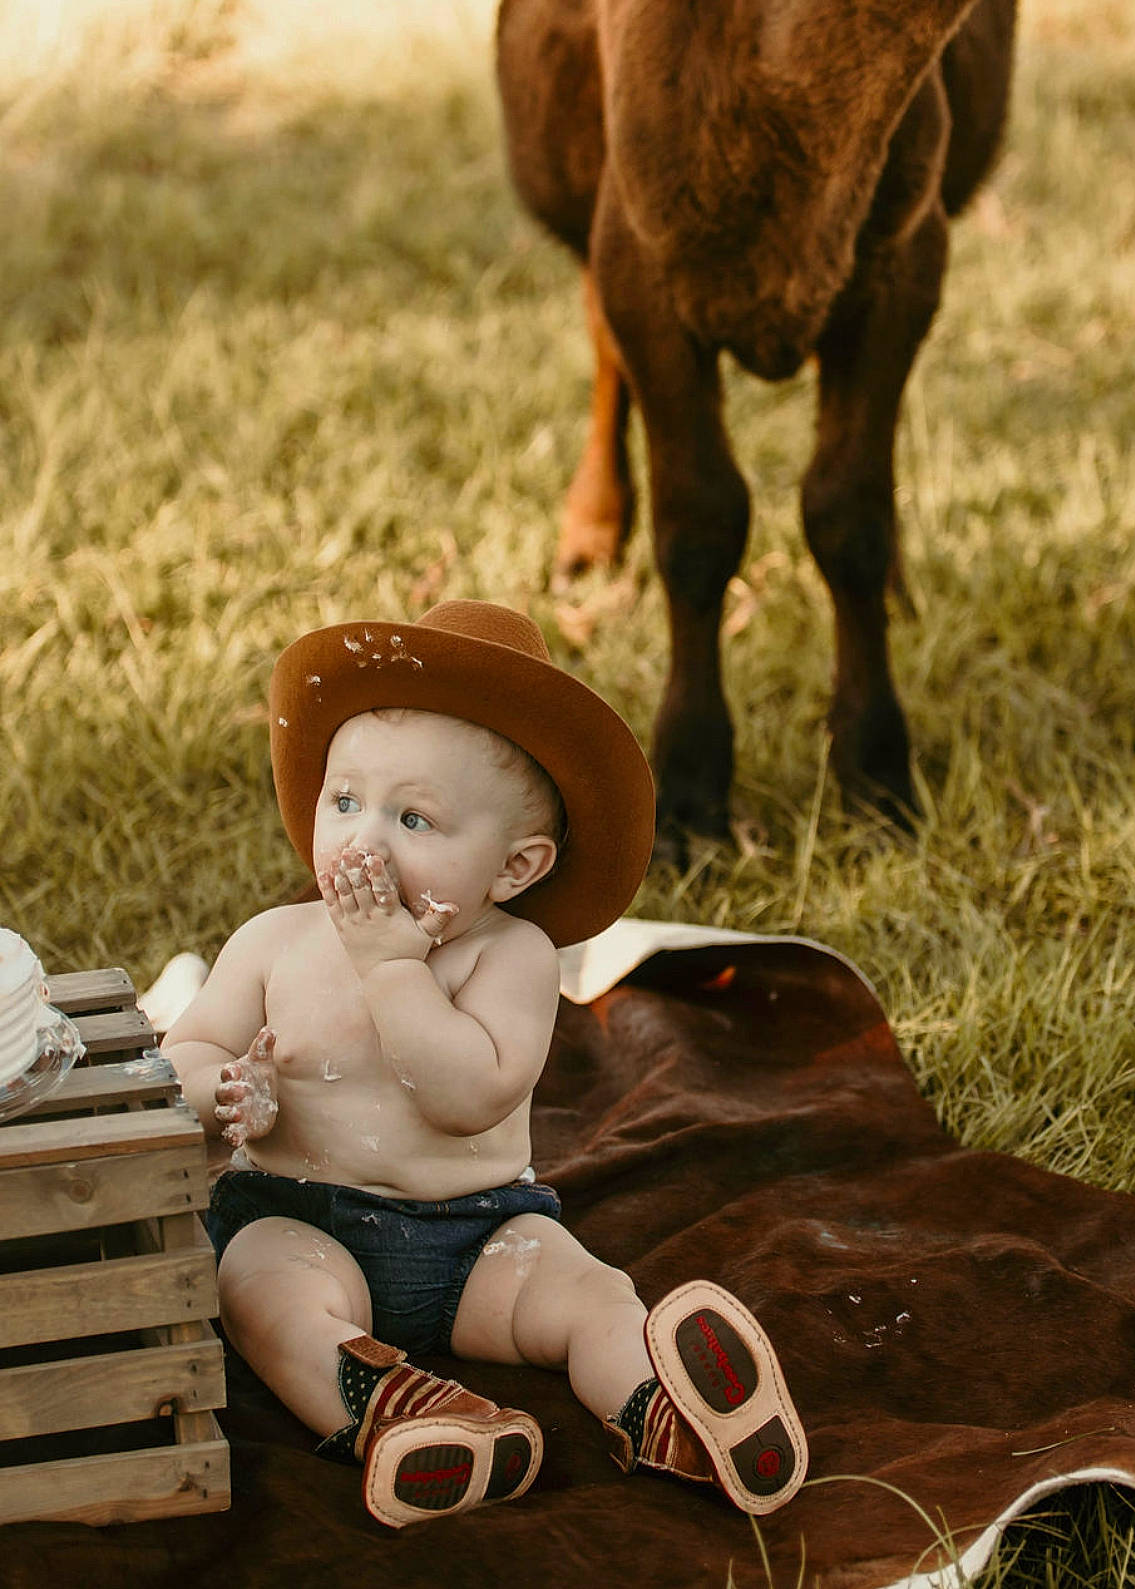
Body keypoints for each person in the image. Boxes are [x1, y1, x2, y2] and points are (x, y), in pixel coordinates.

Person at [163, 600, 807, 1529]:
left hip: (477, 1238)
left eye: (415, 817)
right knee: (258, 1289)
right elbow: (186, 1049)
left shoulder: (511, 958)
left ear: (514, 868)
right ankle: (403, 1415)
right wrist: (223, 1091)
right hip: (300, 1217)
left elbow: (467, 1096)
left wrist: (392, 967)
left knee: (587, 1291)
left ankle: (668, 1410)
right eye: (344, 801)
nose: (364, 840)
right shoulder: (273, 943)